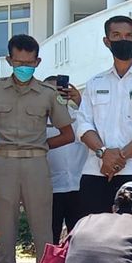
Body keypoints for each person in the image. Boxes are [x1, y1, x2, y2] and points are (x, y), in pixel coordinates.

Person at [0, 35, 75, 263]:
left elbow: (67, 133)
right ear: (9, 61)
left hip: (36, 164)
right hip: (4, 163)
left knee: (43, 235)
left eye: (29, 63)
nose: (24, 67)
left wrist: (41, 146)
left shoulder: (47, 93)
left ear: (37, 62)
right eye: (18, 62)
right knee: (5, 237)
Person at [76, 15, 132, 217]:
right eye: (116, 35)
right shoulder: (94, 82)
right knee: (94, 238)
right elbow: (83, 126)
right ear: (106, 41)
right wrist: (103, 153)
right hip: (95, 172)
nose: (123, 40)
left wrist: (117, 159)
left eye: (128, 36)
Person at [43, 75, 87, 243]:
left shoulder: (80, 117)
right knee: (49, 240)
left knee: (80, 240)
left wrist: (81, 102)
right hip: (50, 190)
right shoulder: (37, 121)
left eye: (59, 90)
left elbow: (100, 131)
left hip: (78, 188)